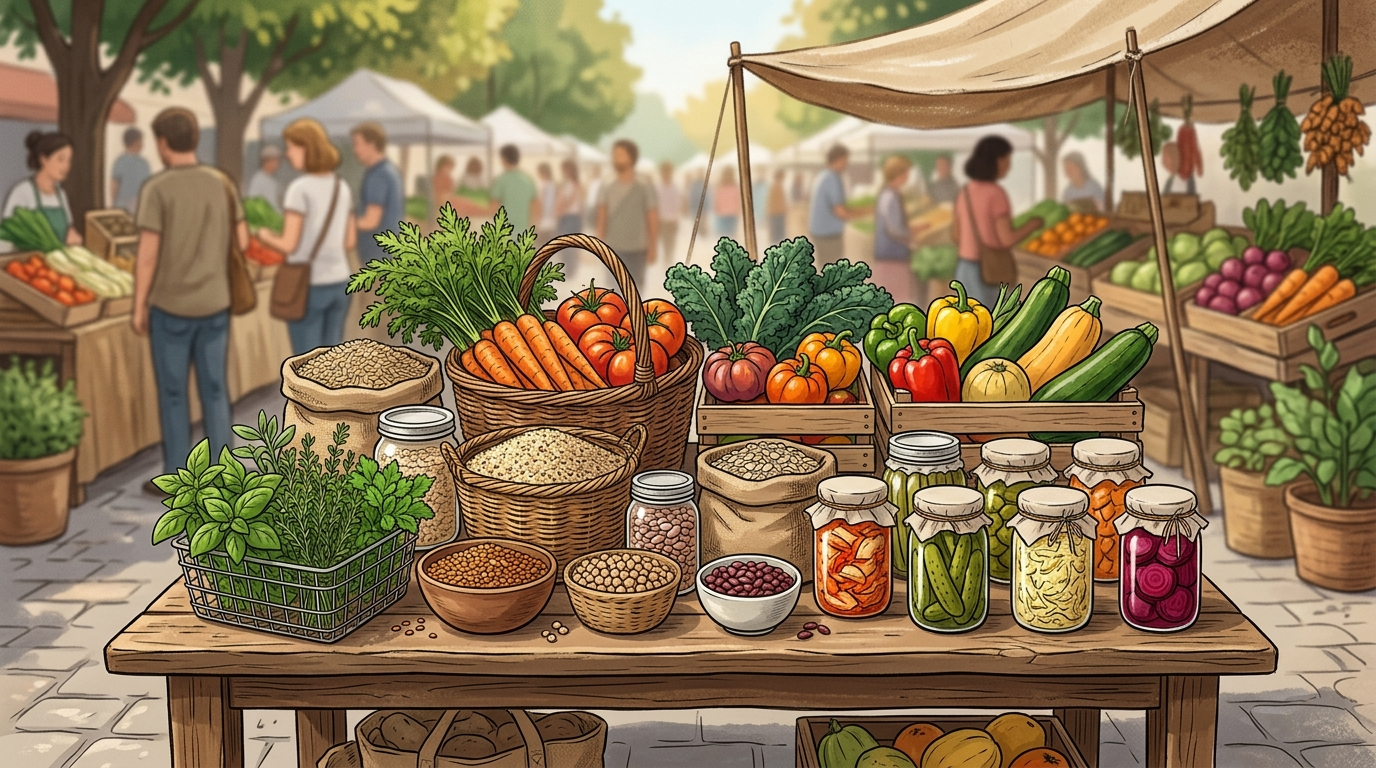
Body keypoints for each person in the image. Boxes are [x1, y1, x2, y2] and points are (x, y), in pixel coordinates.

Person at [132, 108, 247, 493]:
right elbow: (243, 242)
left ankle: (178, 479)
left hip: (170, 307)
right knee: (216, 389)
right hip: (216, 302)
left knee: (173, 393)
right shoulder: (222, 183)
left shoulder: (156, 188)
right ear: (195, 138)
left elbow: (147, 255)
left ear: (163, 143)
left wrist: (138, 305)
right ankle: (226, 472)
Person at [257, 119, 357, 355]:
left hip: (309, 287)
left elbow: (289, 244)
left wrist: (265, 235)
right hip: (340, 282)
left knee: (307, 364)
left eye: (291, 147)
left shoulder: (299, 189)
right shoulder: (341, 187)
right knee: (332, 361)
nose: (288, 154)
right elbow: (349, 241)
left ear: (306, 148)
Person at [952, 135, 1043, 308]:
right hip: (988, 272)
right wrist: (1032, 225)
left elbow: (957, 235)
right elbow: (1006, 240)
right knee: (993, 326)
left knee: (968, 326)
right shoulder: (996, 194)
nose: (1009, 165)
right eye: (1007, 159)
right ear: (997, 160)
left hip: (964, 270)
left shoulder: (964, 192)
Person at [596, 139, 659, 287]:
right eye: (614, 155)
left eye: (620, 155)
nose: (615, 158)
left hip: (638, 248)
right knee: (614, 291)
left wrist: (653, 246)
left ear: (631, 157)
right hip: (613, 247)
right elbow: (602, 216)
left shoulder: (644, 185)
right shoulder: (606, 185)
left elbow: (652, 216)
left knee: (636, 289)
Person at [4, 131, 82, 247]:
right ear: (43, 159)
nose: (66, 166)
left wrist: (73, 238)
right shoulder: (23, 191)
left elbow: (68, 231)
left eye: (69, 160)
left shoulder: (61, 195)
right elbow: (6, 235)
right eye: (61, 159)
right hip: (28, 262)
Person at [874, 155, 928, 306]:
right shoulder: (891, 196)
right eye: (906, 173)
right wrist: (911, 233)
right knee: (897, 299)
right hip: (893, 256)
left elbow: (894, 223)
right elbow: (895, 229)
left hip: (888, 255)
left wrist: (912, 228)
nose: (908, 176)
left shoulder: (888, 193)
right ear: (898, 174)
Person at [351, 122, 403, 263]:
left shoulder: (378, 175)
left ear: (372, 144)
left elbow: (370, 221)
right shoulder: (388, 170)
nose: (355, 150)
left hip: (376, 255)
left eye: (357, 144)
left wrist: (343, 223)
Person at [808, 145, 863, 265]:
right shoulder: (832, 178)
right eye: (845, 160)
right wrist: (862, 215)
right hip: (828, 235)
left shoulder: (823, 175)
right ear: (839, 159)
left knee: (825, 268)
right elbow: (840, 211)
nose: (846, 163)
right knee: (831, 272)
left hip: (820, 232)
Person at [486, 144, 538, 234]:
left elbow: (493, 206)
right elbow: (535, 205)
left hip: (506, 229)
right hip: (524, 229)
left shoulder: (501, 180)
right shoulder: (528, 179)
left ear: (503, 159)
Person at [110, 127, 150, 214]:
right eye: (141, 141)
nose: (142, 144)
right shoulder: (121, 161)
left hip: (139, 206)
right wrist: (113, 204)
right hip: (124, 207)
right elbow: (115, 184)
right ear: (135, 142)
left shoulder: (143, 163)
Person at [245, 144, 282, 211]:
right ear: (268, 161)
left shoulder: (273, 181)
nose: (278, 164)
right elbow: (254, 202)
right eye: (276, 160)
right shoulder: (258, 180)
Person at [656, 161, 681, 259]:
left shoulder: (676, 188)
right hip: (661, 220)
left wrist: (677, 218)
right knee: (664, 242)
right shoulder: (657, 188)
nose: (666, 175)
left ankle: (669, 258)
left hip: (672, 220)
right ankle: (666, 258)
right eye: (664, 172)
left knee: (671, 242)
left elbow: (678, 205)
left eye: (668, 172)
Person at [554, 159, 583, 236]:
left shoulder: (570, 185)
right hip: (573, 217)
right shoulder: (574, 184)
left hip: (568, 217)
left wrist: (560, 212)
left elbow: (569, 201)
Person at [713, 167, 741, 239]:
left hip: (722, 213)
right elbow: (737, 199)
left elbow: (717, 199)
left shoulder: (720, 185)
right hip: (733, 212)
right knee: (731, 234)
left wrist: (716, 209)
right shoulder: (735, 186)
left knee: (722, 235)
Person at [535, 162, 558, 245]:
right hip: (552, 220)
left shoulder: (542, 185)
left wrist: (537, 218)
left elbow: (539, 202)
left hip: (543, 220)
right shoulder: (553, 185)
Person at [767, 168, 788, 244]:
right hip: (777, 213)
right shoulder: (777, 186)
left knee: (777, 234)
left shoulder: (777, 186)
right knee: (778, 234)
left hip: (777, 213)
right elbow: (776, 201)